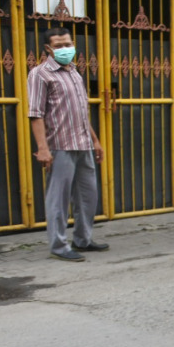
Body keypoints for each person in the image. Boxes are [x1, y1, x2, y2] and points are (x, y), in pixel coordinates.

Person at [27, 26, 107, 261]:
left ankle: (83, 239)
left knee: (88, 195)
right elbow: (35, 113)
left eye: (68, 44)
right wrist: (42, 148)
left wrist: (96, 141)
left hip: (83, 143)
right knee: (58, 199)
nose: (65, 49)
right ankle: (59, 246)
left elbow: (81, 112)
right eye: (59, 45)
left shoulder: (74, 72)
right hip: (60, 145)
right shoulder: (40, 74)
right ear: (48, 48)